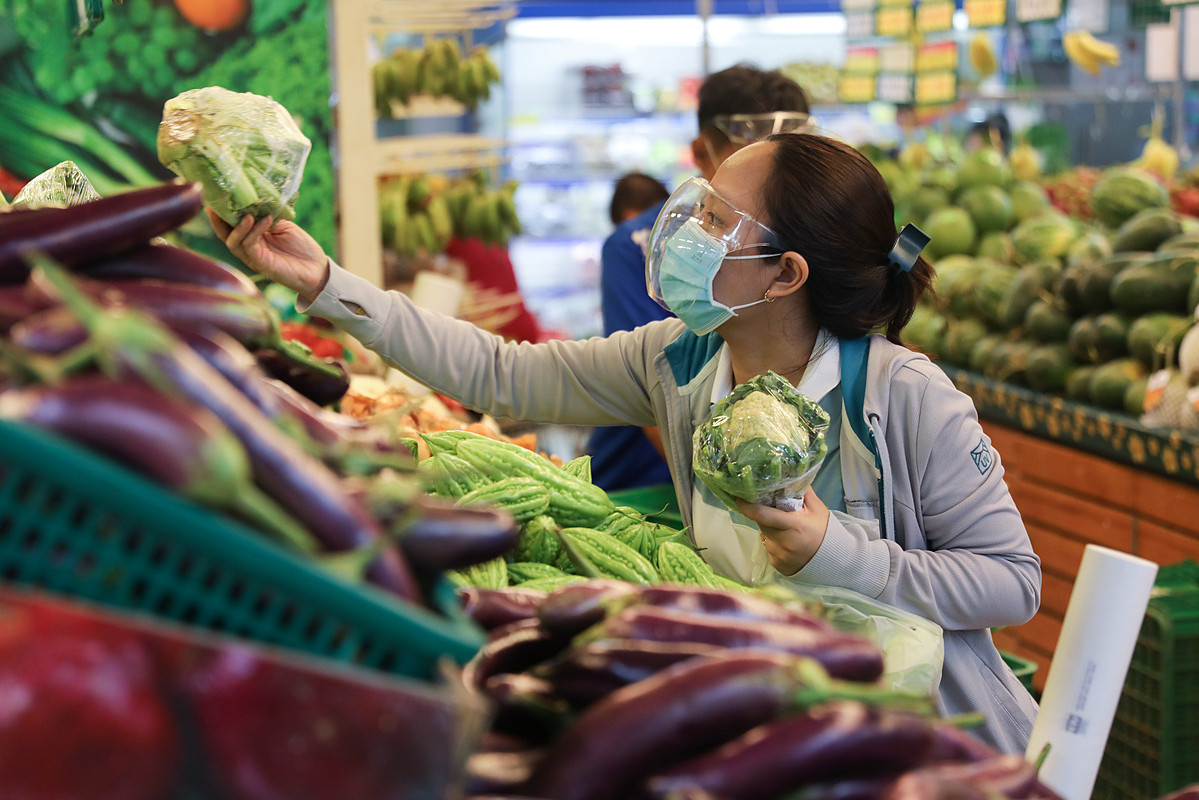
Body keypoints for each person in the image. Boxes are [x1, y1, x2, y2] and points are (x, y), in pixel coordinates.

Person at [209, 131, 1041, 754]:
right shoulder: (674, 361)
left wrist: (838, 553)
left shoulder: (901, 397)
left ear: (783, 275)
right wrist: (323, 283)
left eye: (714, 220)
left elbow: (1012, 584)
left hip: (922, 743)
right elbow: (499, 374)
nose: (679, 231)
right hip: (770, 728)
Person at [590, 64, 812, 493]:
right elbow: (659, 383)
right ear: (702, 153)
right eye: (749, 153)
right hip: (658, 480)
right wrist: (720, 497)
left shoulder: (806, 246)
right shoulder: (646, 248)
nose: (770, 173)